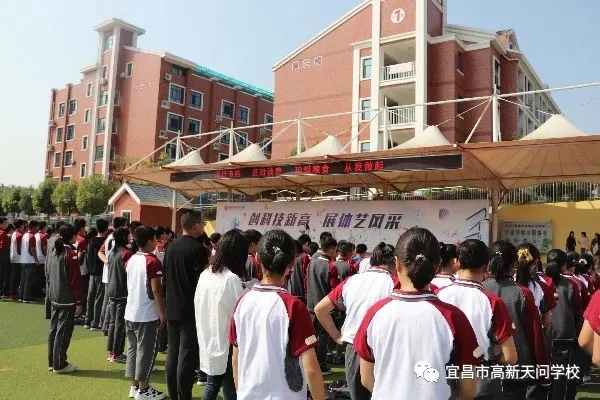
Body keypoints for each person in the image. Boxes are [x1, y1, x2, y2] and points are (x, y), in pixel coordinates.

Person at [354, 227, 482, 400]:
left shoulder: (375, 313)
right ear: (437, 265)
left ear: (397, 263)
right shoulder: (453, 317)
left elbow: (366, 378)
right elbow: (468, 387)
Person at [229, 229, 326, 400]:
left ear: (258, 258)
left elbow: (236, 357)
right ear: (291, 263)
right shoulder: (293, 306)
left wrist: (240, 391)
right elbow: (311, 368)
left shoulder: (242, 301)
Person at [315, 242, 399, 400]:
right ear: (395, 262)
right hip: (382, 348)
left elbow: (320, 309)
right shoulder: (395, 283)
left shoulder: (351, 281)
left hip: (353, 347)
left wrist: (337, 337)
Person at [436, 239, 517, 399]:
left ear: (457, 262)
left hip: (443, 377)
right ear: (486, 266)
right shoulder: (493, 302)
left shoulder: (438, 295)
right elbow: (510, 357)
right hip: (482, 380)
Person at [482, 241, 549, 399]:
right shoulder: (522, 293)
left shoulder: (479, 289)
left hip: (484, 369)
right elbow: (536, 335)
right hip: (517, 369)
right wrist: (544, 371)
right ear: (514, 264)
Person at [194, 229, 246, 400]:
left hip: (208, 335)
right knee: (228, 386)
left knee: (214, 384)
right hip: (227, 338)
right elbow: (240, 311)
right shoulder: (231, 279)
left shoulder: (206, 273)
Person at [164, 210, 209, 399]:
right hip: (190, 308)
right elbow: (202, 281)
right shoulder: (198, 249)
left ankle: (174, 394)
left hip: (172, 305)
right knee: (186, 355)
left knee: (173, 352)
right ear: (196, 225)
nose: (203, 226)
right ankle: (184, 396)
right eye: (202, 223)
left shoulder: (170, 246)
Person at [123, 226, 166, 400]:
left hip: (130, 312)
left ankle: (135, 386)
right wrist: (162, 313)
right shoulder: (152, 262)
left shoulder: (131, 259)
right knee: (146, 352)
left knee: (133, 349)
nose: (157, 242)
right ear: (149, 242)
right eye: (155, 239)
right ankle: (144, 388)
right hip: (146, 314)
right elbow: (156, 289)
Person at [46, 223, 83, 374]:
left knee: (54, 329)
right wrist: (79, 302)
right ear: (73, 236)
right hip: (66, 298)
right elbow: (75, 281)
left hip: (54, 294)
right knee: (63, 331)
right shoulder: (70, 253)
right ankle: (59, 364)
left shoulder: (55, 249)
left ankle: (53, 361)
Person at [545, 249, 579, 399]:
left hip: (544, 334)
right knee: (561, 374)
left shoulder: (539, 282)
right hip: (564, 334)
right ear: (564, 266)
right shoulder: (572, 284)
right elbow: (577, 310)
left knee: (543, 373)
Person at [307, 236, 340, 375]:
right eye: (335, 250)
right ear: (331, 249)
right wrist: (337, 308)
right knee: (323, 337)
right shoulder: (330, 266)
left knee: (312, 336)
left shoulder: (312, 263)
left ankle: (310, 361)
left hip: (311, 306)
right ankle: (320, 365)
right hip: (324, 308)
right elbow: (335, 290)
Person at [105, 227, 133, 364]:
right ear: (124, 237)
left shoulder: (112, 252)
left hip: (112, 290)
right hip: (122, 292)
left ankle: (112, 352)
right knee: (120, 324)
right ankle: (117, 353)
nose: (130, 237)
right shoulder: (126, 253)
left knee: (113, 322)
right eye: (128, 235)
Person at [85, 219, 109, 331]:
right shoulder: (105, 242)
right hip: (100, 273)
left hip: (92, 273)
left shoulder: (91, 241)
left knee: (90, 297)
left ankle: (88, 320)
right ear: (106, 229)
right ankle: (95, 322)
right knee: (99, 298)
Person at [20, 220, 40, 303]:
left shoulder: (25, 235)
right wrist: (36, 260)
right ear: (34, 227)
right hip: (29, 260)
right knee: (29, 280)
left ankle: (22, 296)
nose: (38, 229)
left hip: (23, 260)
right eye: (37, 227)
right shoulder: (32, 236)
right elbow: (33, 249)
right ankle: (26, 297)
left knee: (23, 279)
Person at [9, 219, 25, 301]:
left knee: (14, 275)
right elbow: (21, 247)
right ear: (21, 225)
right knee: (16, 276)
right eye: (23, 225)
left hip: (14, 256)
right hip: (18, 257)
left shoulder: (14, 233)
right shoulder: (19, 235)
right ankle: (13, 293)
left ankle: (13, 292)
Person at [34, 221, 48, 299]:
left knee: (37, 277)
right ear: (44, 227)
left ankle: (36, 292)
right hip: (42, 259)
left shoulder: (35, 235)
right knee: (41, 278)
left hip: (36, 258)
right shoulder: (43, 236)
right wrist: (48, 256)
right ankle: (39, 293)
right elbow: (44, 249)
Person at [0, 217, 10, 299]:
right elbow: (3, 246)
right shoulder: (3, 233)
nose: (7, 225)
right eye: (5, 223)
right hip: (2, 257)